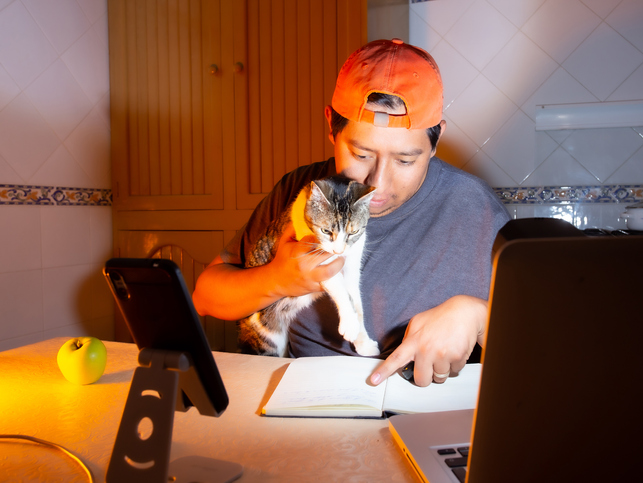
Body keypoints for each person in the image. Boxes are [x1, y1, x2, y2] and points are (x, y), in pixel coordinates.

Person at [193, 38, 510, 387]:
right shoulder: (302, 188)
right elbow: (206, 297)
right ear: (331, 125)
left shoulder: (474, 207)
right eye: (361, 155)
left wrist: (477, 316)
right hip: (303, 404)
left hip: (420, 410)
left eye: (405, 159)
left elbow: (543, 337)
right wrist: (277, 279)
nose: (377, 183)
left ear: (436, 142)